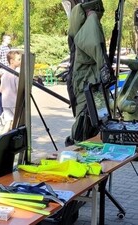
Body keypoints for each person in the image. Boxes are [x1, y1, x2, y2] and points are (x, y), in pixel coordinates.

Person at [65, 0, 105, 145]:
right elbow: (96, 48)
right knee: (86, 122)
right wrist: (106, 71)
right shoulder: (91, 20)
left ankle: (78, 146)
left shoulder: (79, 18)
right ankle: (78, 149)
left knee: (86, 120)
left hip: (81, 80)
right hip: (87, 82)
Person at [0, 50, 21, 134]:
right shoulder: (16, 74)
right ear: (12, 61)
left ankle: (0, 140)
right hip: (14, 102)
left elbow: (1, 89)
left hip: (5, 101)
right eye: (19, 59)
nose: (20, 61)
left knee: (8, 123)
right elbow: (18, 88)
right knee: (17, 122)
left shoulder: (4, 73)